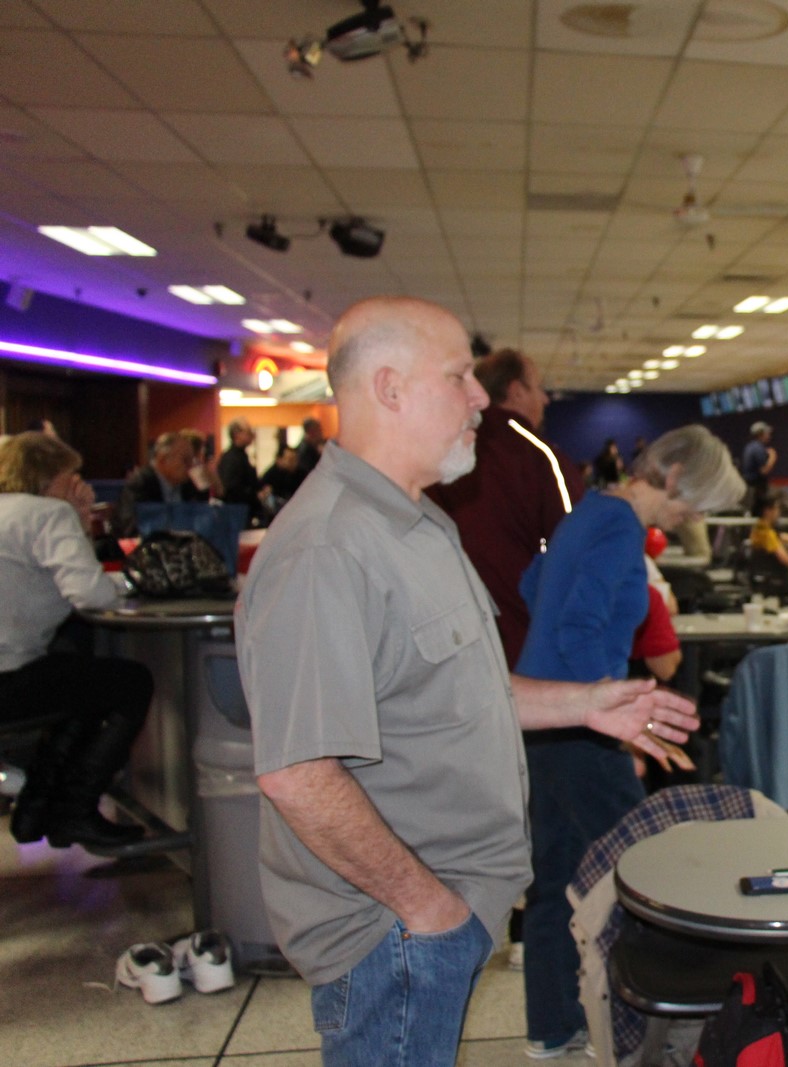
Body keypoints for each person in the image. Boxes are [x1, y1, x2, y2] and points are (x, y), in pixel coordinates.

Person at [237, 296, 699, 1067]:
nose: (483, 397)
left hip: (439, 910)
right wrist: (429, 909)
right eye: (457, 376)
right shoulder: (327, 550)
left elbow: (457, 689)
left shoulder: (420, 522)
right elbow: (297, 772)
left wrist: (589, 705)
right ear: (389, 388)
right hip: (389, 927)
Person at [516, 424, 744, 1059]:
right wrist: (621, 715)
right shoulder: (620, 528)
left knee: (556, 874)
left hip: (543, 719)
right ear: (671, 477)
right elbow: (582, 625)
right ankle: (646, 1023)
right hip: (583, 724)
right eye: (691, 502)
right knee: (639, 872)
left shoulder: (587, 510)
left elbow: (533, 589)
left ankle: (551, 1025)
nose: (691, 516)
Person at [0, 432, 151, 851]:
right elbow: (92, 595)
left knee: (77, 680)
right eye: (74, 476)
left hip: (13, 670)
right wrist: (81, 520)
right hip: (8, 677)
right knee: (130, 683)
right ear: (53, 477)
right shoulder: (49, 515)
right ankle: (76, 811)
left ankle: (37, 808)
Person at [429, 347, 584, 664]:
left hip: (445, 636)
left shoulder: (441, 450)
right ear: (515, 391)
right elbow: (576, 551)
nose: (545, 400)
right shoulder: (540, 457)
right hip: (522, 637)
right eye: (539, 388)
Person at [115, 430, 206, 535]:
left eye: (192, 460)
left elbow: (201, 516)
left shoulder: (188, 485)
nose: (191, 466)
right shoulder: (140, 484)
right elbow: (131, 527)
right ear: (163, 459)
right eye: (185, 460)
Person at [216, 416, 264, 524]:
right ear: (237, 434)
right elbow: (231, 487)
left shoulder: (241, 456)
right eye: (248, 432)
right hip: (236, 513)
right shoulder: (231, 458)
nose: (252, 435)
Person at [741, 421, 777, 504]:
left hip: (749, 488)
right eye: (767, 433)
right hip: (757, 489)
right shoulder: (758, 448)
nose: (769, 436)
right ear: (760, 434)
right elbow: (764, 470)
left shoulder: (749, 447)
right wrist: (772, 457)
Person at [259, 444, 300, 509]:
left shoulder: (300, 474)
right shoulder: (270, 476)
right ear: (279, 460)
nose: (293, 463)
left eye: (295, 460)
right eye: (290, 460)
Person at [295, 417, 326, 481]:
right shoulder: (304, 451)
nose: (321, 432)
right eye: (318, 429)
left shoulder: (315, 446)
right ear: (311, 431)